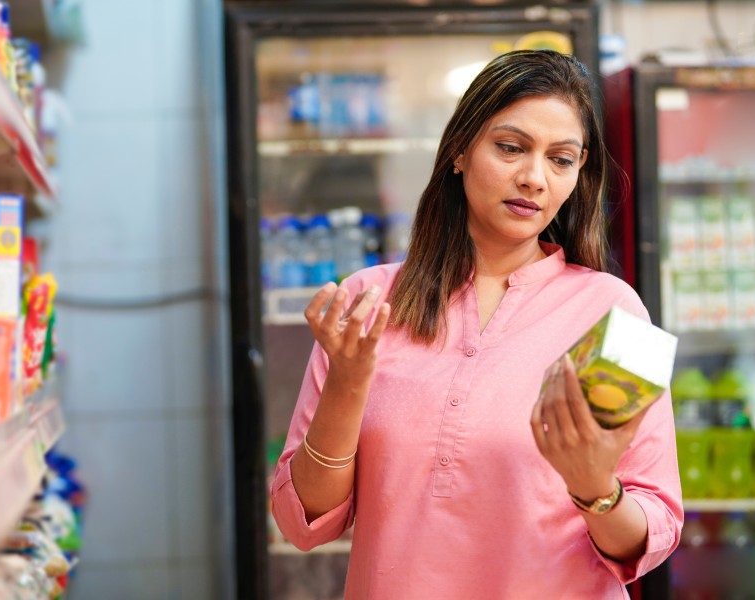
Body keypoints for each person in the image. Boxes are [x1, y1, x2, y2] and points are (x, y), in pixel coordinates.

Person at [270, 49, 683, 599]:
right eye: (511, 148)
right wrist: (347, 383)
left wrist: (594, 490)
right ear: (460, 150)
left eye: (561, 159)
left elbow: (654, 533)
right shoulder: (367, 300)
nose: (534, 177)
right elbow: (303, 523)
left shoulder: (618, 313)